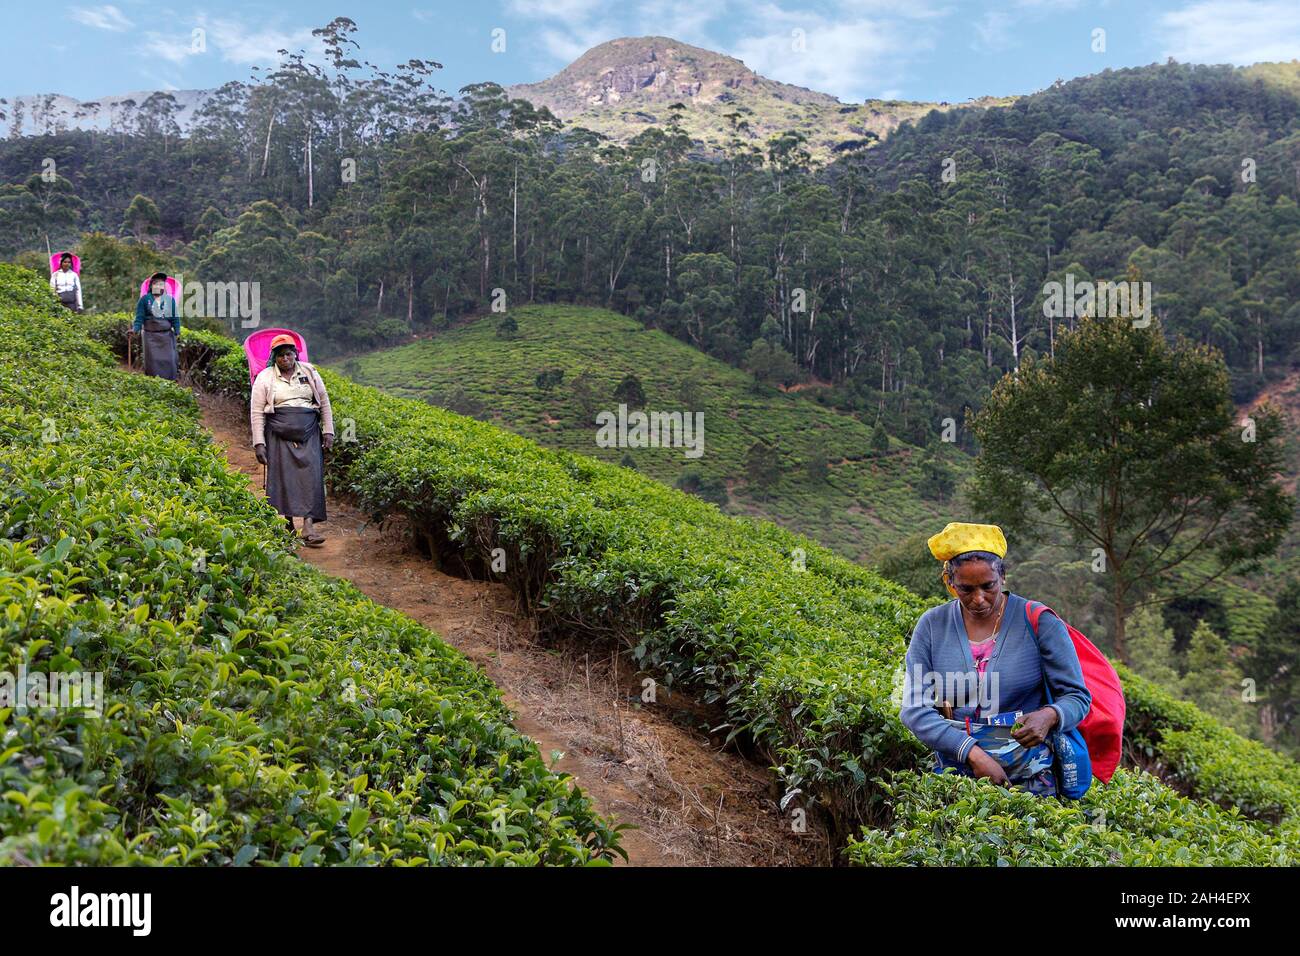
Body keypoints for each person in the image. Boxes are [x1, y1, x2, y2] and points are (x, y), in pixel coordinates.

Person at [898, 521, 1091, 797]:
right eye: (966, 589)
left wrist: (1049, 716)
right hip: (956, 775)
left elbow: (1077, 697)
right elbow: (914, 709)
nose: (978, 599)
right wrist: (972, 753)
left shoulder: (1039, 622)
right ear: (950, 583)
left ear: (1003, 576)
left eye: (988, 586)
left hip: (1032, 779)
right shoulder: (932, 626)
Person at [249, 334, 335, 546]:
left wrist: (328, 431)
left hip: (309, 432)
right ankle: (288, 524)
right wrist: (259, 443)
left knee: (311, 476)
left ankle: (308, 527)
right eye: (280, 355)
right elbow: (257, 411)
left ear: (295, 354)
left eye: (289, 354)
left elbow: (324, 402)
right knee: (283, 477)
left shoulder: (309, 371)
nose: (285, 358)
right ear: (274, 358)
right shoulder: (265, 377)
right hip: (279, 433)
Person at [131, 272, 180, 380]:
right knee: (153, 363)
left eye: (161, 284)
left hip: (166, 336)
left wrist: (177, 331)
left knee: (169, 361)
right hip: (150, 337)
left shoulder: (169, 300)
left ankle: (170, 383)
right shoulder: (144, 300)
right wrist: (135, 329)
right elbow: (139, 318)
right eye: (156, 284)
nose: (158, 286)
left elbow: (175, 318)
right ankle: (154, 385)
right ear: (151, 285)